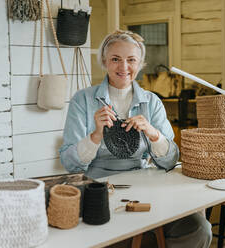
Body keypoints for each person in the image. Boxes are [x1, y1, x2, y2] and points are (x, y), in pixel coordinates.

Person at [59, 30, 212, 248]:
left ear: (140, 64)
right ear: (104, 61)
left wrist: (152, 133)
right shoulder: (82, 101)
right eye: (115, 59)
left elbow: (170, 160)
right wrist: (94, 136)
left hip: (148, 188)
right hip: (101, 193)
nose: (123, 67)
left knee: (198, 228)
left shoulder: (153, 102)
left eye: (131, 60)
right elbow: (69, 163)